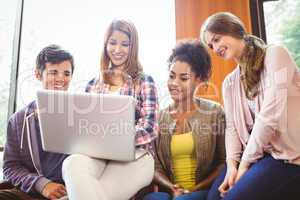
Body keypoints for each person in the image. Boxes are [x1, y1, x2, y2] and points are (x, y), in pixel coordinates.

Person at [200, 12, 300, 200]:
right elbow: (232, 129)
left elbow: (269, 117)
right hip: (259, 156)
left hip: (290, 158)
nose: (215, 48)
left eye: (217, 39)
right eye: (211, 45)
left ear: (233, 30)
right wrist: (232, 165)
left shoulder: (276, 55)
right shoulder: (229, 83)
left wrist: (244, 166)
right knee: (213, 198)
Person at [62, 19, 159, 200]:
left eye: (125, 44)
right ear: (105, 44)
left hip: (136, 156)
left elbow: (150, 127)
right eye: (112, 43)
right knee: (71, 163)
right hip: (98, 155)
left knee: (99, 191)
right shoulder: (93, 84)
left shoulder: (144, 81)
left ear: (133, 47)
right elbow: (84, 124)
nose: (117, 50)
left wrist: (116, 138)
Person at [143, 40, 226, 200]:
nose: (174, 83)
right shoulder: (160, 117)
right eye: (172, 76)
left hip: (203, 191)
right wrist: (171, 187)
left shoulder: (215, 112)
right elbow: (156, 167)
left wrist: (195, 189)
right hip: (171, 192)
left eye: (183, 78)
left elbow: (223, 163)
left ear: (199, 79)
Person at [2, 45, 75, 200]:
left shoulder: (81, 114)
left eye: (66, 73)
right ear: (37, 74)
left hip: (72, 192)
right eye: (53, 72)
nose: (61, 79)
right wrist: (42, 184)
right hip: (33, 192)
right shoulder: (18, 120)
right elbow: (10, 167)